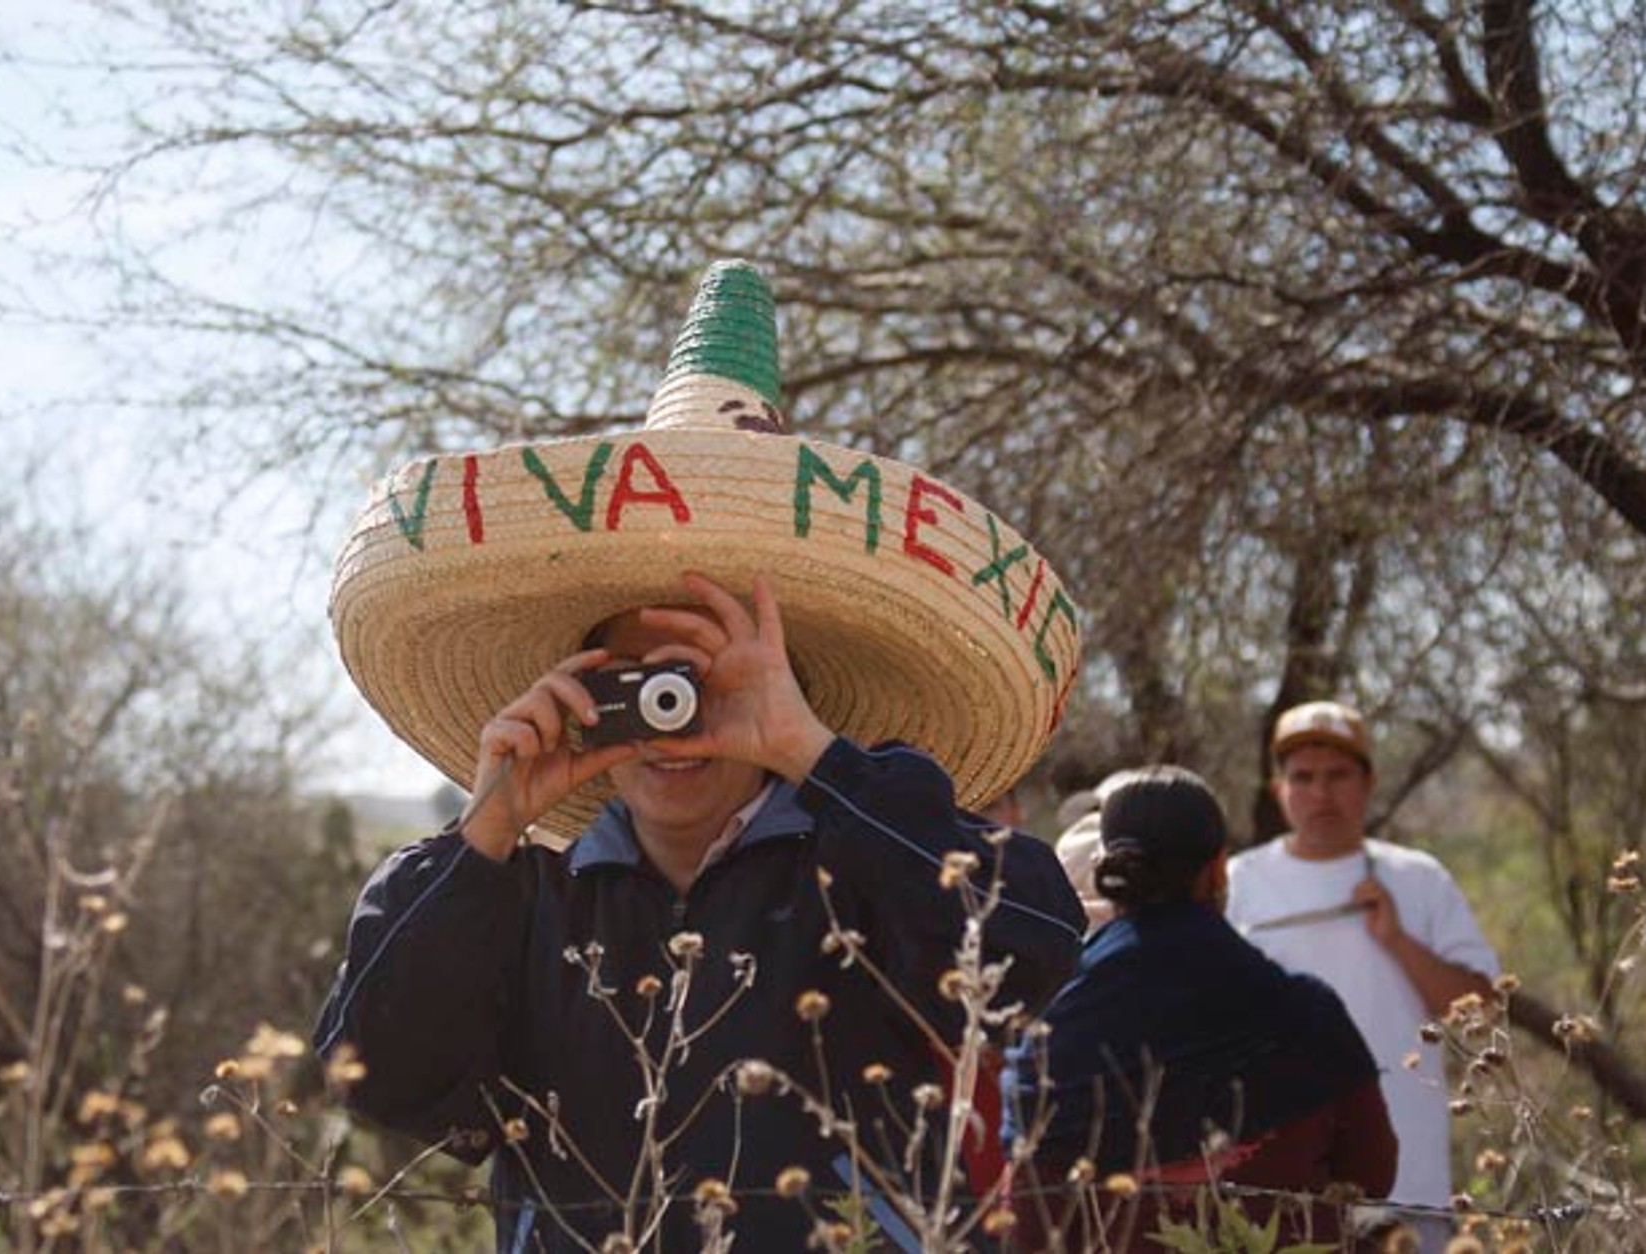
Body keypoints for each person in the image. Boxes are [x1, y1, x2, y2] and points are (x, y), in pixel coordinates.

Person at [314, 260, 1087, 1252]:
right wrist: (487, 830)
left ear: (779, 680)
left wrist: (815, 757)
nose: (668, 716)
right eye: (628, 681)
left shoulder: (864, 876)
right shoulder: (525, 900)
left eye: (699, 677)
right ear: (576, 687)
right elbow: (376, 1076)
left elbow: (1034, 947)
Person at [1002, 766, 1397, 1249]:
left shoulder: (1048, 1047)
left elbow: (1029, 1224)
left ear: (1110, 872)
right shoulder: (1308, 1017)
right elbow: (1371, 1176)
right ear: (1218, 869)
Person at [1227, 701, 1499, 1252]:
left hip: (1408, 1190)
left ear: (1368, 782)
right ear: (1278, 788)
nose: (1321, 794)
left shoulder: (1418, 878)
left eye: (1337, 775)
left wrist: (1396, 939)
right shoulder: (1240, 882)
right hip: (1281, 1190)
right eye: (1302, 777)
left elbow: (1481, 1012)